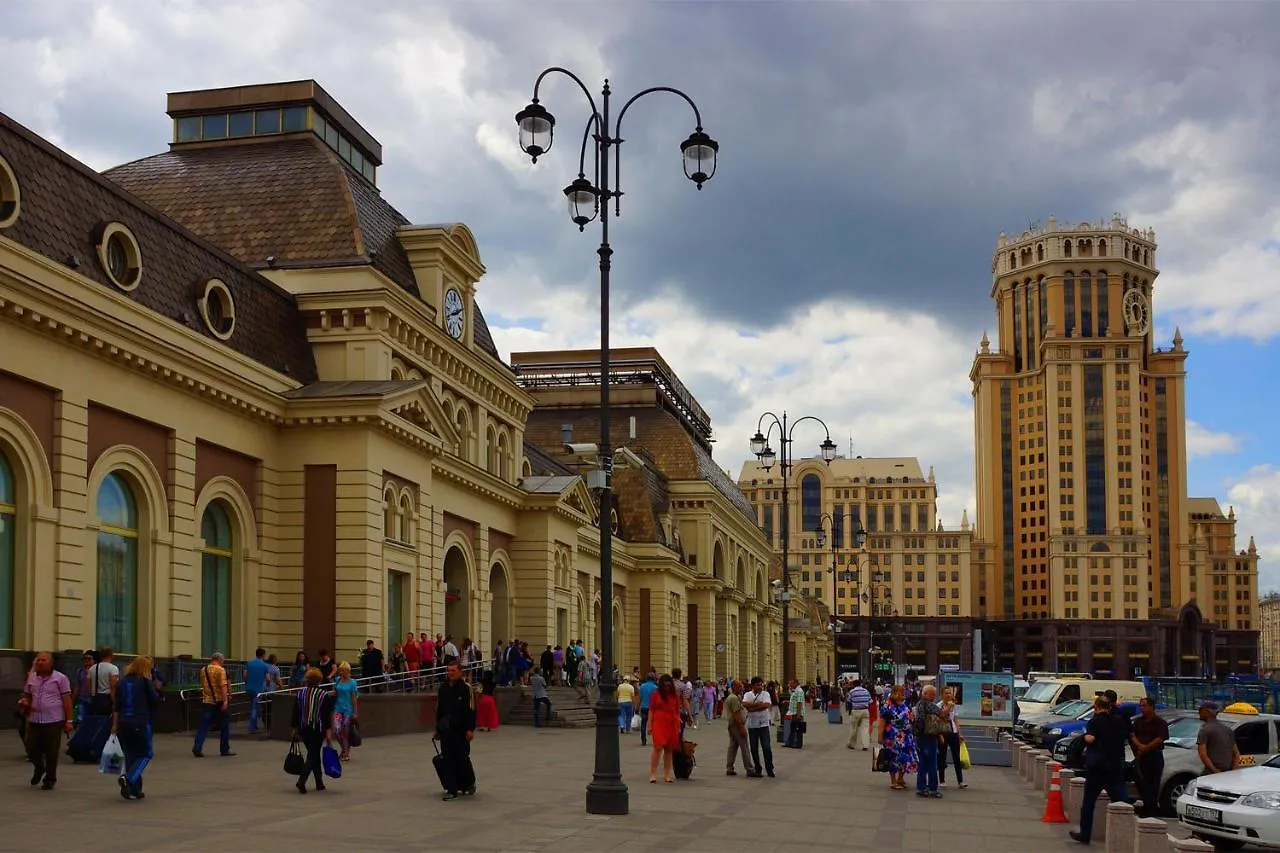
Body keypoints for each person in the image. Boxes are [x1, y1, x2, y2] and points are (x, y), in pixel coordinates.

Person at [1070, 695, 1129, 845]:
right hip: (1115, 766)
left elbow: (1090, 739)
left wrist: (1081, 740)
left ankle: (1085, 834)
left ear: (1096, 706)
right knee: (1120, 802)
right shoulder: (1119, 721)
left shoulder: (1095, 721)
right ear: (1109, 706)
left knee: (1089, 801)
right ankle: (1126, 834)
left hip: (1097, 768)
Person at [19, 651, 72, 790]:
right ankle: (39, 767)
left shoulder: (60, 678)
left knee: (51, 751)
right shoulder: (31, 677)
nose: (40, 663)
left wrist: (69, 721)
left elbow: (67, 701)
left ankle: (50, 779)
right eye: (38, 660)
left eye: (43, 660)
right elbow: (27, 694)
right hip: (34, 719)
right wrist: (24, 701)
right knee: (31, 748)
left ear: (50, 663)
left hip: (54, 719)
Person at [113, 654, 159, 799]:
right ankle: (129, 778)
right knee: (146, 754)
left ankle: (134, 790)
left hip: (123, 723)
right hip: (140, 722)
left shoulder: (121, 682)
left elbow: (117, 706)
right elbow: (154, 701)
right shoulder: (145, 682)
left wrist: (114, 725)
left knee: (131, 755)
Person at [435, 661, 477, 800]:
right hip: (447, 730)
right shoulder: (443, 688)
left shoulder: (466, 689)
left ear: (460, 672)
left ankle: (468, 783)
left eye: (453, 670)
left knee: (462, 759)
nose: (450, 673)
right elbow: (439, 710)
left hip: (461, 731)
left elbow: (471, 710)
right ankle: (451, 789)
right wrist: (438, 729)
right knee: (447, 759)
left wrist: (470, 729)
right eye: (449, 670)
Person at [292, 668, 335, 794]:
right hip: (318, 729)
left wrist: (294, 729)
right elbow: (326, 716)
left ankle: (319, 783)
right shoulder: (323, 695)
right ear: (319, 680)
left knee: (314, 753)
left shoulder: (301, 693)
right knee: (313, 755)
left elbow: (296, 712)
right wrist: (328, 732)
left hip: (304, 729)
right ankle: (302, 780)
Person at [1130, 697, 1168, 817]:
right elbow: (1132, 735)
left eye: (1144, 706)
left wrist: (1146, 747)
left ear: (1152, 707)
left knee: (1153, 784)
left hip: (1154, 756)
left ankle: (1151, 809)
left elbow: (1160, 738)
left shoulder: (1160, 722)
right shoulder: (1138, 722)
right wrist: (1139, 746)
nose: (1142, 708)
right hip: (1141, 757)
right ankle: (1147, 806)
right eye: (1141, 706)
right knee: (1141, 782)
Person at [192, 652, 234, 758]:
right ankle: (224, 749)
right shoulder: (220, 670)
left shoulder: (203, 669)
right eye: (223, 661)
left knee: (204, 724)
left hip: (207, 701)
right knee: (224, 725)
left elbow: (203, 685)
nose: (223, 663)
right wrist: (225, 701)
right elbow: (223, 686)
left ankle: (197, 747)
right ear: (220, 660)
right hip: (219, 702)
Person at [881, 684, 917, 791]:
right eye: (900, 692)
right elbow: (882, 722)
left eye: (903, 692)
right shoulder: (887, 706)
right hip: (892, 737)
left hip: (906, 736)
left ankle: (901, 778)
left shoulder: (906, 705)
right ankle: (893, 781)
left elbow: (911, 719)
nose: (903, 694)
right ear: (894, 693)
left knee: (906, 758)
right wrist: (880, 736)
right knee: (894, 758)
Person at [647, 673, 682, 784]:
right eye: (665, 686)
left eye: (669, 685)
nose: (667, 688)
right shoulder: (655, 694)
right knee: (657, 748)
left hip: (671, 723)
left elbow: (677, 711)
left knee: (668, 749)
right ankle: (653, 774)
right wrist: (649, 724)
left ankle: (667, 774)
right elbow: (651, 710)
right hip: (658, 722)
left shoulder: (675, 695)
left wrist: (678, 725)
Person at [913, 684, 943, 798]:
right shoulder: (928, 705)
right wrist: (949, 706)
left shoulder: (918, 704)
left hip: (919, 737)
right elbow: (942, 713)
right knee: (932, 764)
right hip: (928, 737)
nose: (934, 697)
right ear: (925, 694)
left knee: (922, 764)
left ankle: (921, 787)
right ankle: (932, 788)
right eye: (932, 694)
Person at [742, 676, 775, 778]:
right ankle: (758, 769)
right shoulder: (748, 694)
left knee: (766, 747)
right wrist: (757, 704)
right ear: (752, 686)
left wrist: (752, 708)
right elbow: (744, 703)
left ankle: (770, 768)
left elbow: (766, 705)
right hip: (752, 725)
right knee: (754, 748)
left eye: (761, 684)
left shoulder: (765, 694)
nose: (760, 686)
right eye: (757, 685)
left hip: (764, 725)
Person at [1196, 700, 1240, 775]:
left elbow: (1203, 755)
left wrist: (1215, 771)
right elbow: (1236, 754)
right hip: (1227, 773)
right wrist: (1232, 772)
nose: (1198, 712)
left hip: (1211, 774)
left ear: (1207, 712)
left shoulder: (1204, 730)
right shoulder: (1227, 730)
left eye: (1200, 709)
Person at [724, 679, 758, 777]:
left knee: (733, 747)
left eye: (741, 686)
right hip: (736, 725)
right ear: (733, 687)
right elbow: (736, 714)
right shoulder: (734, 698)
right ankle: (750, 769)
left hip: (732, 725)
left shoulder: (733, 697)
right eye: (739, 686)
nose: (741, 688)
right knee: (745, 747)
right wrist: (741, 727)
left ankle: (729, 768)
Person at [937, 686, 966, 789]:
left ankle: (960, 780)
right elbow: (941, 717)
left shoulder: (953, 706)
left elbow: (955, 720)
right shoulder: (939, 706)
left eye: (950, 693)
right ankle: (942, 780)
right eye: (946, 693)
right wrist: (948, 707)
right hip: (943, 733)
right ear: (942, 695)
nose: (949, 695)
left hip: (953, 732)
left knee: (956, 757)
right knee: (942, 756)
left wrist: (959, 733)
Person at [332, 662, 359, 760]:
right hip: (338, 709)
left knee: (345, 729)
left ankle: (347, 752)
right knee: (336, 729)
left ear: (348, 671)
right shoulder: (337, 680)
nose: (341, 672)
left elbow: (354, 698)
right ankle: (344, 749)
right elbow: (335, 693)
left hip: (348, 710)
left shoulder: (352, 682)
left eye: (343, 670)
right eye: (340, 670)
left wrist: (355, 712)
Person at [245, 647, 269, 732]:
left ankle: (254, 725)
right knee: (255, 708)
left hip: (249, 688)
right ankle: (252, 726)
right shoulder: (265, 665)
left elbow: (245, 676)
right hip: (258, 689)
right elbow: (268, 678)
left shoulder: (249, 663)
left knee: (253, 706)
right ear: (263, 655)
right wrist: (267, 686)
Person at [847, 679, 872, 750]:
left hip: (856, 711)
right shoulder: (866, 691)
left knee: (854, 728)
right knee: (865, 729)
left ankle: (852, 744)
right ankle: (865, 745)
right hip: (865, 711)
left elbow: (849, 700)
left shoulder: (852, 691)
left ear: (854, 685)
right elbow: (870, 701)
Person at [638, 672, 658, 746]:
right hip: (652, 709)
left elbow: (640, 698)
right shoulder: (655, 687)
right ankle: (655, 738)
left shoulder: (642, 686)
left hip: (643, 707)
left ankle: (643, 739)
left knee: (643, 723)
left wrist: (637, 707)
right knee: (654, 723)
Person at [785, 677, 806, 748]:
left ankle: (797, 743)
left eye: (791, 683)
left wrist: (798, 714)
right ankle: (790, 742)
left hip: (796, 713)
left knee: (797, 728)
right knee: (792, 728)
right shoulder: (795, 690)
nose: (790, 685)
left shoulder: (799, 691)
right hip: (792, 712)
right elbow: (794, 700)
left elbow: (799, 703)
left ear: (796, 683)